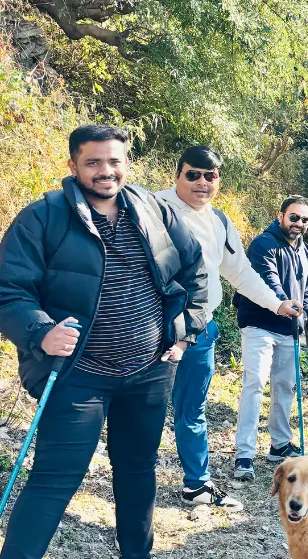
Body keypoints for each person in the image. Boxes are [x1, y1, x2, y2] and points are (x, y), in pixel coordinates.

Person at [0, 125, 208, 559]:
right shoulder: (42, 217)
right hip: (78, 376)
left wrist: (184, 334)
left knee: (137, 471)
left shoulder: (154, 211)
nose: (105, 171)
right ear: (73, 164)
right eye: (93, 162)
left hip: (150, 371)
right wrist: (41, 331)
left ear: (126, 164)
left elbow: (195, 274)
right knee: (55, 478)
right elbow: (9, 290)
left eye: (114, 161)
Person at [156, 147, 302, 509]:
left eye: (210, 175)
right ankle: (134, 482)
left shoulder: (219, 221)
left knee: (192, 409)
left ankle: (197, 484)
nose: (202, 182)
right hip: (153, 327)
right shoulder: (152, 207)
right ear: (177, 175)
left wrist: (277, 304)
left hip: (201, 328)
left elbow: (240, 274)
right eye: (193, 174)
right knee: (142, 407)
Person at [232, 196, 308, 481]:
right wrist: (284, 302)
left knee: (285, 386)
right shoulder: (263, 244)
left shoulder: (304, 250)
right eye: (294, 217)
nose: (299, 224)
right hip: (259, 324)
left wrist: (303, 313)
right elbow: (268, 280)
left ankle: (279, 444)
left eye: (304, 219)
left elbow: (306, 289)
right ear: (281, 216)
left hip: (289, 328)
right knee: (254, 384)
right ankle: (244, 453)